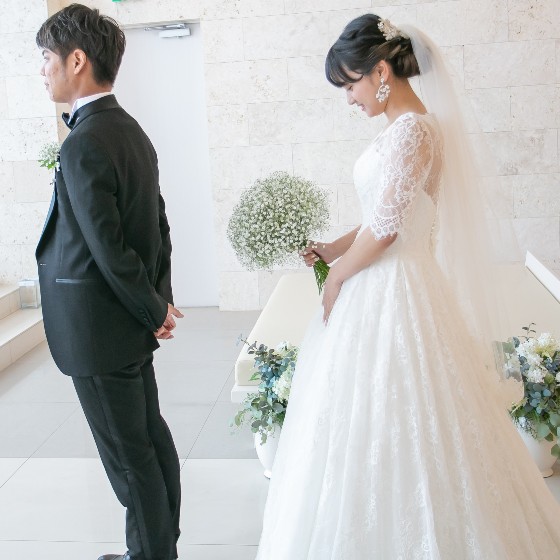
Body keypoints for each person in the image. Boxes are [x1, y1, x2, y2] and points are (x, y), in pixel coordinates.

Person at [255, 14, 560, 559]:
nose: (348, 99)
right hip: (391, 280)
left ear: (380, 72)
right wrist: (334, 248)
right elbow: (385, 213)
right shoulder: (407, 129)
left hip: (395, 288)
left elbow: (389, 230)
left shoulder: (414, 130)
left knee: (404, 411)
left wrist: (337, 277)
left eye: (349, 84)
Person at [36, 5, 183, 560]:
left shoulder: (84, 141)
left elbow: (108, 247)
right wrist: (157, 299)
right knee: (149, 441)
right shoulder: (131, 131)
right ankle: (157, 549)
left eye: (47, 58)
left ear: (77, 61)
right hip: (124, 322)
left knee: (129, 458)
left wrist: (153, 307)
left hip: (97, 328)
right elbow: (158, 226)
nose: (43, 70)